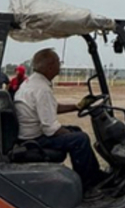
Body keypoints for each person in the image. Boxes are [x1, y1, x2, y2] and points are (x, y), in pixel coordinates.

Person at [14, 48, 106, 194]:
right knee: (80, 139)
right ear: (50, 66)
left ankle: (91, 174)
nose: (60, 66)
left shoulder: (32, 83)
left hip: (29, 134)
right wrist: (68, 133)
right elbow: (50, 128)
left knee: (76, 131)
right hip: (35, 139)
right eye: (58, 62)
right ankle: (90, 183)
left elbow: (51, 108)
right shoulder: (41, 89)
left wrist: (77, 107)